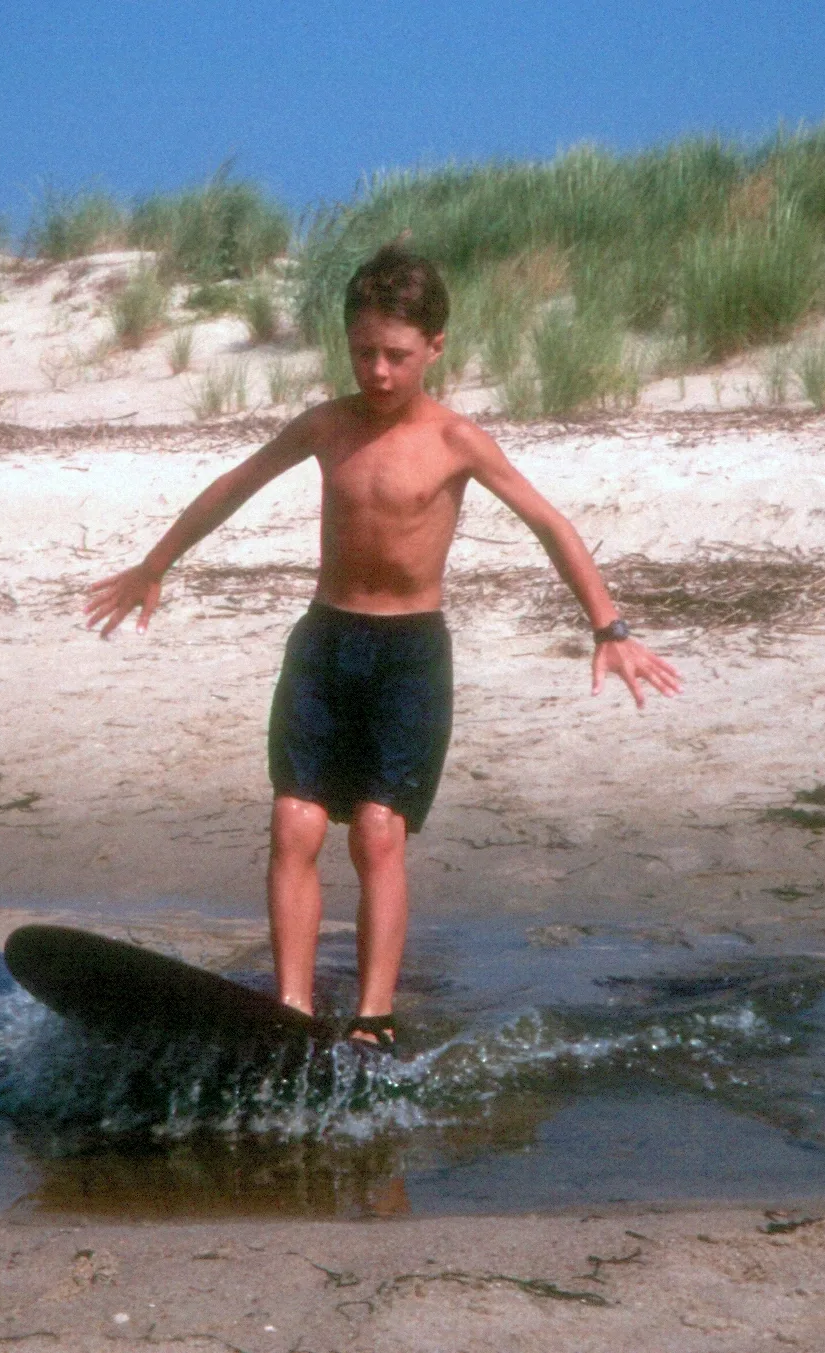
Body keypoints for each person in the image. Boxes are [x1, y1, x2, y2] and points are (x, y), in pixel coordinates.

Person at [84, 244, 682, 1053]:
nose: (377, 371)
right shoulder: (326, 426)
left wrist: (610, 627)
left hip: (409, 654)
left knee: (375, 829)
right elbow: (235, 484)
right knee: (293, 820)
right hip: (325, 642)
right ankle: (290, 1009)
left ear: (435, 347)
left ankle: (372, 1014)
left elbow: (549, 523)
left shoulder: (454, 439)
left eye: (396, 355)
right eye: (362, 351)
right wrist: (154, 565)